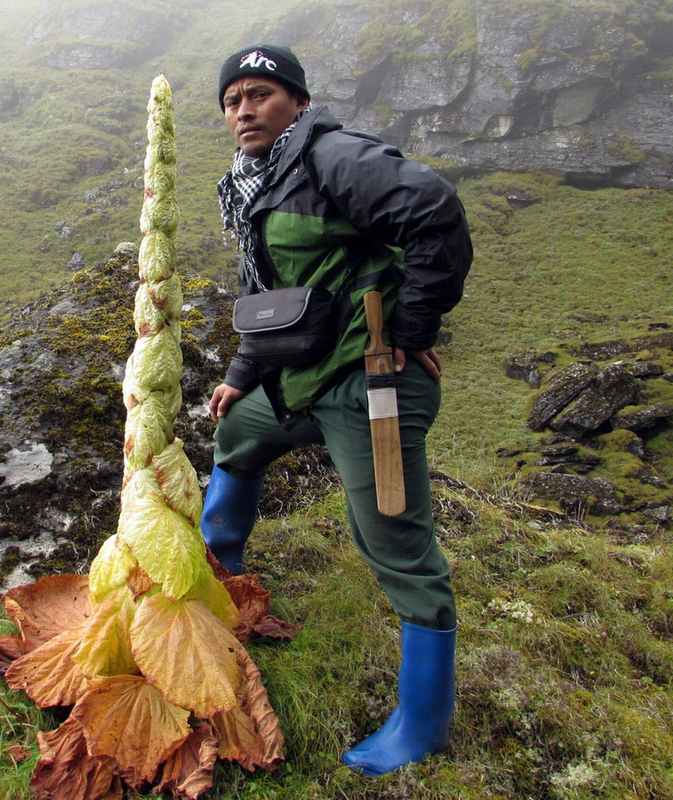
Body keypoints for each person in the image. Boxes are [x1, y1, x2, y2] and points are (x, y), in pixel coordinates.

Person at [201, 45, 473, 776]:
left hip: (367, 383)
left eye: (260, 94)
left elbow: (436, 215)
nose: (244, 110)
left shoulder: (332, 158)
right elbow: (280, 298)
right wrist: (240, 375)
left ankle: (423, 723)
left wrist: (410, 334)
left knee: (393, 540)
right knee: (237, 434)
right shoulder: (251, 187)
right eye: (232, 100)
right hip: (302, 378)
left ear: (295, 100)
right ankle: (222, 581)